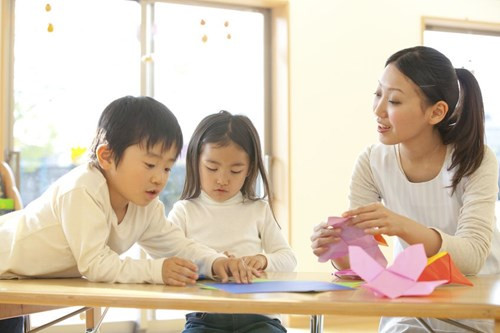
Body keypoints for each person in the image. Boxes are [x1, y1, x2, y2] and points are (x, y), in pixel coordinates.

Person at [310, 46, 500, 333]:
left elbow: (472, 257)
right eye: (378, 94)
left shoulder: (475, 159)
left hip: (474, 308)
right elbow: (366, 266)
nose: (378, 109)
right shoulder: (372, 161)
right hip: (409, 310)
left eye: (395, 101)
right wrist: (336, 247)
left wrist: (402, 226)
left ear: (436, 112)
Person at [0, 96, 258, 288]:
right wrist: (157, 271)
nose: (159, 178)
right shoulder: (82, 189)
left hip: (18, 278)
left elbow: (177, 246)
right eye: (150, 164)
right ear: (107, 156)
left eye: (168, 168)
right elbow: (96, 264)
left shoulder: (146, 206)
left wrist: (215, 262)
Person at [168, 110, 297, 333]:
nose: (222, 179)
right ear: (195, 161)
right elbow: (168, 262)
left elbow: (289, 259)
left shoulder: (258, 209)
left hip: (259, 317)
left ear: (249, 170)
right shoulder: (184, 211)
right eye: (212, 168)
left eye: (236, 170)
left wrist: (262, 260)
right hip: (204, 318)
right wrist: (212, 263)